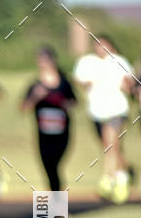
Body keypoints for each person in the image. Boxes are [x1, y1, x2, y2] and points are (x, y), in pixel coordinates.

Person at [73, 35, 135, 203]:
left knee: (110, 144)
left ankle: (109, 179)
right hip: (96, 112)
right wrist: (86, 83)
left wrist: (128, 86)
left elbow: (129, 84)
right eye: (97, 45)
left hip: (116, 110)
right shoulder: (87, 62)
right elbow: (78, 79)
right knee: (110, 146)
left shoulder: (119, 61)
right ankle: (123, 174)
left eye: (103, 45)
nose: (100, 48)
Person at [22, 47, 77, 192]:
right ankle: (56, 198)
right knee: (48, 166)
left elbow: (74, 101)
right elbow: (24, 107)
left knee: (55, 165)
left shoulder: (64, 82)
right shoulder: (35, 85)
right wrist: (36, 96)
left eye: (45, 60)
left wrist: (65, 103)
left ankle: (56, 198)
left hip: (62, 132)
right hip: (43, 134)